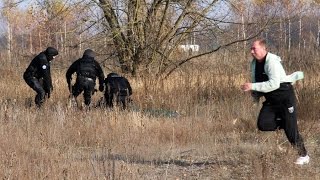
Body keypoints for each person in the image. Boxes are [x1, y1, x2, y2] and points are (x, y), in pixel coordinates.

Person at [240, 39, 309, 165]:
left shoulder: (272, 62)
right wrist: (254, 98)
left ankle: (304, 155)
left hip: (284, 97)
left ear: (263, 49)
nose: (251, 51)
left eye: (254, 49)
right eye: (251, 49)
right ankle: (287, 122)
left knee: (291, 131)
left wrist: (253, 86)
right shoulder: (254, 63)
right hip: (271, 100)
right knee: (263, 124)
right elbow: (256, 80)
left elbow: (274, 84)